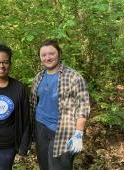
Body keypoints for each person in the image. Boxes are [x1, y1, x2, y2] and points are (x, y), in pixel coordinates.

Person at [30, 39, 90, 170]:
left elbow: (83, 106)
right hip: (40, 128)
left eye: (51, 53)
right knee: (44, 166)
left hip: (63, 131)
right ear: (40, 58)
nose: (48, 57)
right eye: (44, 55)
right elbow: (34, 103)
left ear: (59, 54)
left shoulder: (73, 77)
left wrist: (79, 133)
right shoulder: (39, 77)